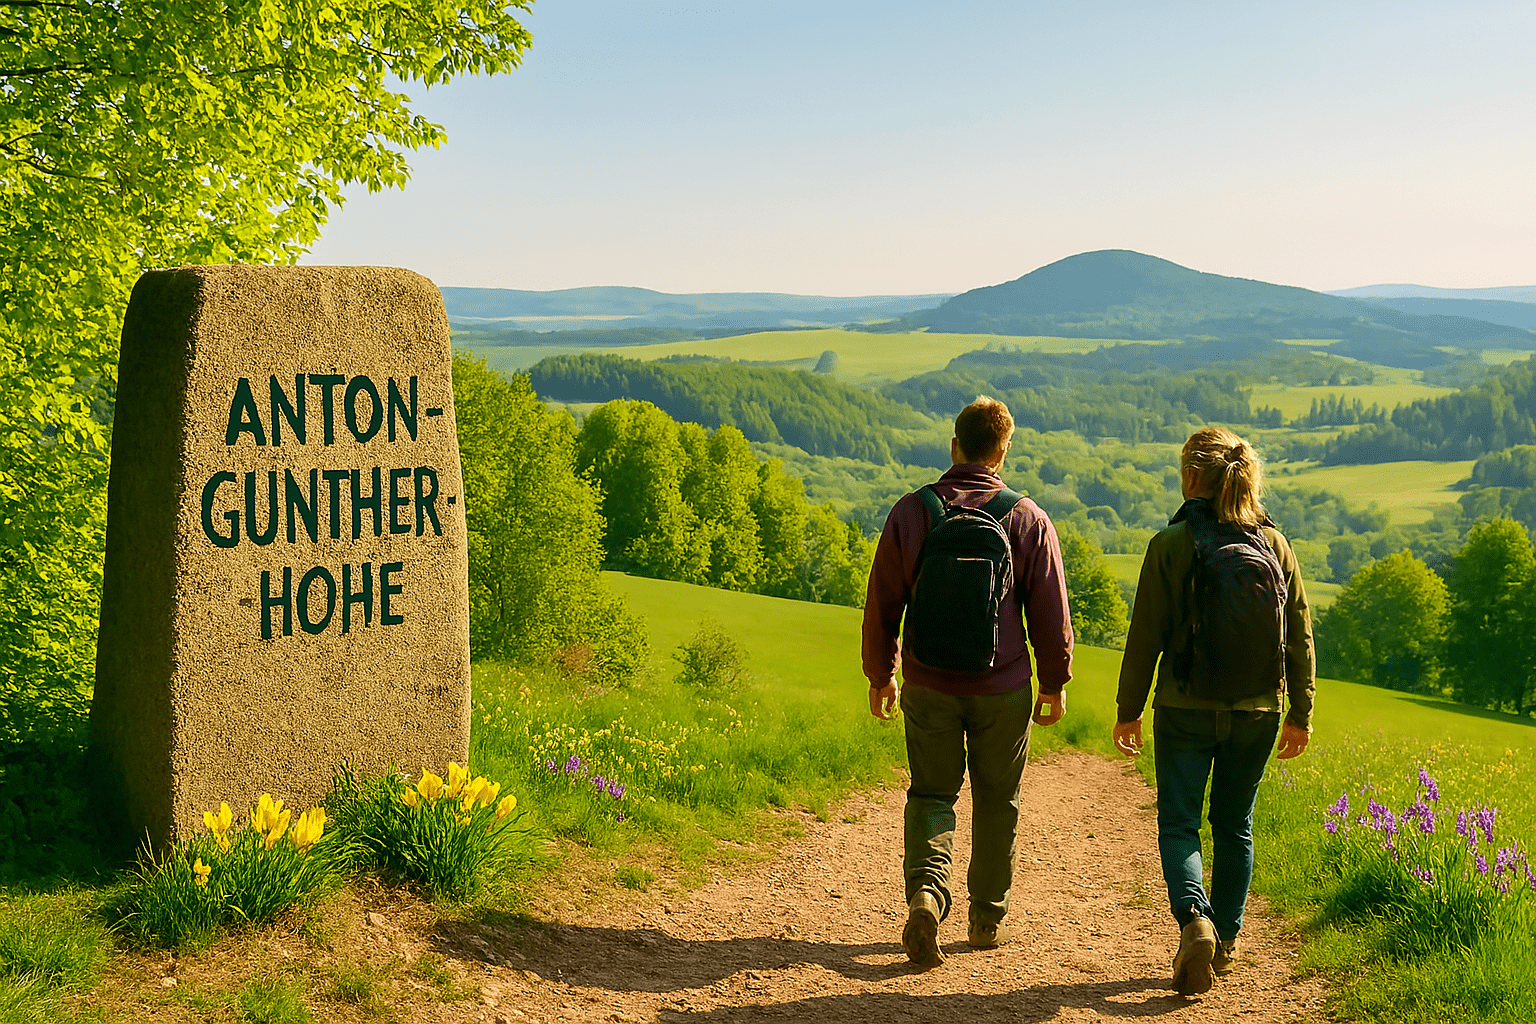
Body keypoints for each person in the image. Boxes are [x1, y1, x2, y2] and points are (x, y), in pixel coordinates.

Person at [863, 395, 1073, 969]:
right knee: (997, 799)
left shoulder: (912, 511)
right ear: (1003, 452)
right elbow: (1051, 613)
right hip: (1002, 687)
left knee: (931, 793)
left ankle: (928, 894)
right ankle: (985, 918)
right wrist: (1054, 683)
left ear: (954, 445)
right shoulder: (1027, 517)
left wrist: (881, 674)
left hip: (928, 680)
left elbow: (882, 601)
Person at [1113, 426, 1314, 996]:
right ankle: (1224, 941)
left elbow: (1144, 636)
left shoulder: (1170, 544)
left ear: (1193, 477)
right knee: (1235, 825)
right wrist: (1301, 713)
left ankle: (1194, 919)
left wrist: (1129, 712)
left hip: (1184, 706)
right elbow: (1299, 636)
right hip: (1259, 709)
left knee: (1180, 822)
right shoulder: (1275, 547)